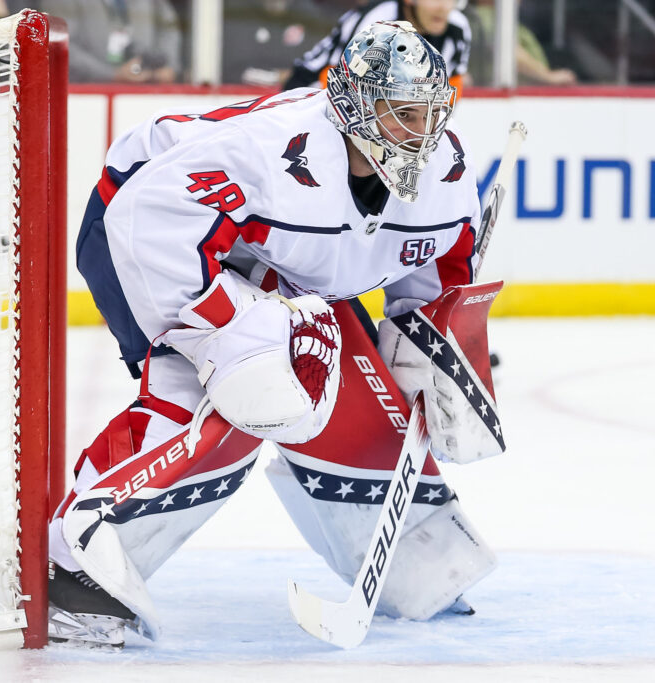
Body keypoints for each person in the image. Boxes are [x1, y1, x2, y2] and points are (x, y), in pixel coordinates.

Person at [48, 21, 504, 648]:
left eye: (430, 112)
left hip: (272, 258)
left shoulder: (446, 171)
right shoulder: (269, 153)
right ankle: (74, 568)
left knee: (357, 394)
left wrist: (436, 360)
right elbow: (148, 220)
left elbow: (437, 275)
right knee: (247, 389)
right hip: (147, 229)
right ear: (355, 107)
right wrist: (225, 336)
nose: (422, 134)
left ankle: (418, 559)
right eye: (403, 114)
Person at [283, 0, 472, 94]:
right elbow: (338, 81)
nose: (444, 7)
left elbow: (451, 85)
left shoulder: (458, 28)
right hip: (311, 91)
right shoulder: (377, 22)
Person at [39, 0, 181, 83]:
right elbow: (59, 44)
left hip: (145, 90)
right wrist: (111, 74)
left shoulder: (156, 4)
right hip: (84, 95)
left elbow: (169, 28)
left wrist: (167, 66)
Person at [469, 0, 577, 86]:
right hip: (515, 98)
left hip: (526, 98)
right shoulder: (482, 18)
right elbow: (509, 53)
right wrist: (549, 77)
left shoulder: (502, 18)